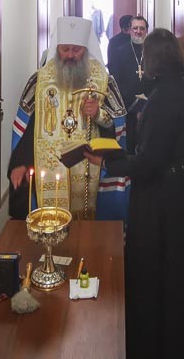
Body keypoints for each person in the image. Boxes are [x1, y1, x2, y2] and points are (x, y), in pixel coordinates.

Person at [85, 28, 184, 359]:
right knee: (181, 272)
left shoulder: (164, 99)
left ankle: (155, 345)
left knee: (158, 271)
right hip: (183, 187)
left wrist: (108, 161)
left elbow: (149, 162)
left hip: (163, 197)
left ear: (153, 58)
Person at [8, 16, 129, 221]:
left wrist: (97, 114)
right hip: (49, 167)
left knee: (88, 228)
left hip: (89, 167)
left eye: (76, 50)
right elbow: (27, 129)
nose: (70, 55)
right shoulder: (39, 81)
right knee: (49, 222)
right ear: (57, 48)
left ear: (85, 49)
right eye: (65, 49)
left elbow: (118, 129)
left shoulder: (103, 80)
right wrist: (20, 163)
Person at [110, 16, 149, 152]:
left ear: (146, 31)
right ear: (130, 30)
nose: (138, 31)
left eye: (142, 28)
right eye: (135, 28)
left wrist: (144, 104)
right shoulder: (121, 51)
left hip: (149, 107)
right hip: (128, 107)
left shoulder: (152, 52)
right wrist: (135, 104)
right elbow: (116, 80)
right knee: (130, 146)